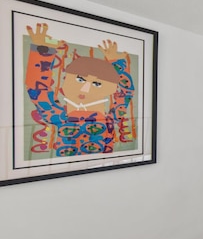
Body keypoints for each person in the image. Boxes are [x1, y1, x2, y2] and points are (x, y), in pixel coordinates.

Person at [24, 22, 135, 157]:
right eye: (80, 80)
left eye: (97, 84)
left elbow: (126, 93)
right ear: (66, 82)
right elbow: (38, 90)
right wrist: (43, 51)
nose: (85, 88)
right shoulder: (59, 116)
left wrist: (116, 65)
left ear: (110, 89)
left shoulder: (109, 120)